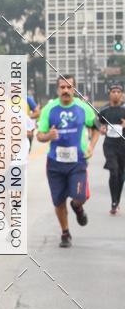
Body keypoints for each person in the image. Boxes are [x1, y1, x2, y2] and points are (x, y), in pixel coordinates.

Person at [36, 75, 99, 248]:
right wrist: (48, 135)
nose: (65, 90)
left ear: (74, 89)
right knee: (58, 201)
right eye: (62, 87)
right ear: (57, 90)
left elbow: (97, 129)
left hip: (77, 162)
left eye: (69, 87)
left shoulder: (83, 108)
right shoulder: (49, 109)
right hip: (55, 164)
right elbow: (39, 135)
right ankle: (65, 233)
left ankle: (77, 207)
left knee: (79, 196)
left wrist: (91, 147)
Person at [96, 82, 125, 214]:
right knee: (114, 171)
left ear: (122, 94)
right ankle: (113, 201)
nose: (116, 94)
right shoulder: (104, 110)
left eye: (118, 92)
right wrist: (100, 128)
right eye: (113, 91)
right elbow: (96, 122)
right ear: (109, 94)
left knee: (121, 176)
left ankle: (116, 200)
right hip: (109, 146)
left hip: (123, 146)